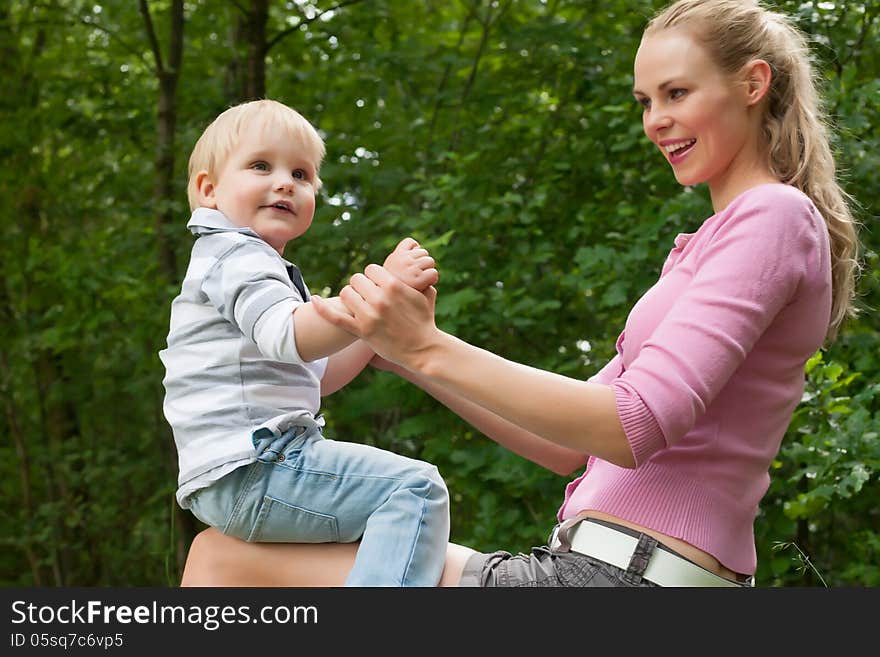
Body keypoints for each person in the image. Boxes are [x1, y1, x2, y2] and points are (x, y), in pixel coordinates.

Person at [179, 0, 861, 587]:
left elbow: (633, 423)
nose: (656, 120)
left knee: (223, 562)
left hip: (620, 581)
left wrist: (427, 343)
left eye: (676, 94)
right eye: (646, 101)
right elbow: (571, 447)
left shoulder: (771, 216)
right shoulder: (710, 245)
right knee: (219, 554)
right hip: (597, 568)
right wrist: (401, 353)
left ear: (752, 83)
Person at [159, 99, 451, 587]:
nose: (284, 182)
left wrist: (374, 326)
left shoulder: (249, 265)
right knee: (414, 490)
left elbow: (319, 372)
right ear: (208, 190)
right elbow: (288, 335)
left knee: (386, 527)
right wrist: (378, 295)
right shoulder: (234, 254)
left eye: (301, 173)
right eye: (260, 165)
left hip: (240, 474)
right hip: (257, 465)